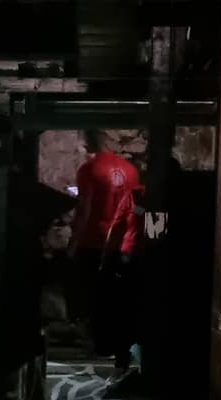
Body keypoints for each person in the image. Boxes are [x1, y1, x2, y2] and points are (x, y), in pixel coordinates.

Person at [69, 130, 142, 368]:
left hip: (94, 240)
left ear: (87, 141)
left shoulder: (89, 169)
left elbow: (86, 208)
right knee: (117, 298)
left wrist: (74, 243)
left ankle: (96, 343)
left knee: (90, 295)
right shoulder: (131, 170)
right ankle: (118, 347)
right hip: (122, 243)